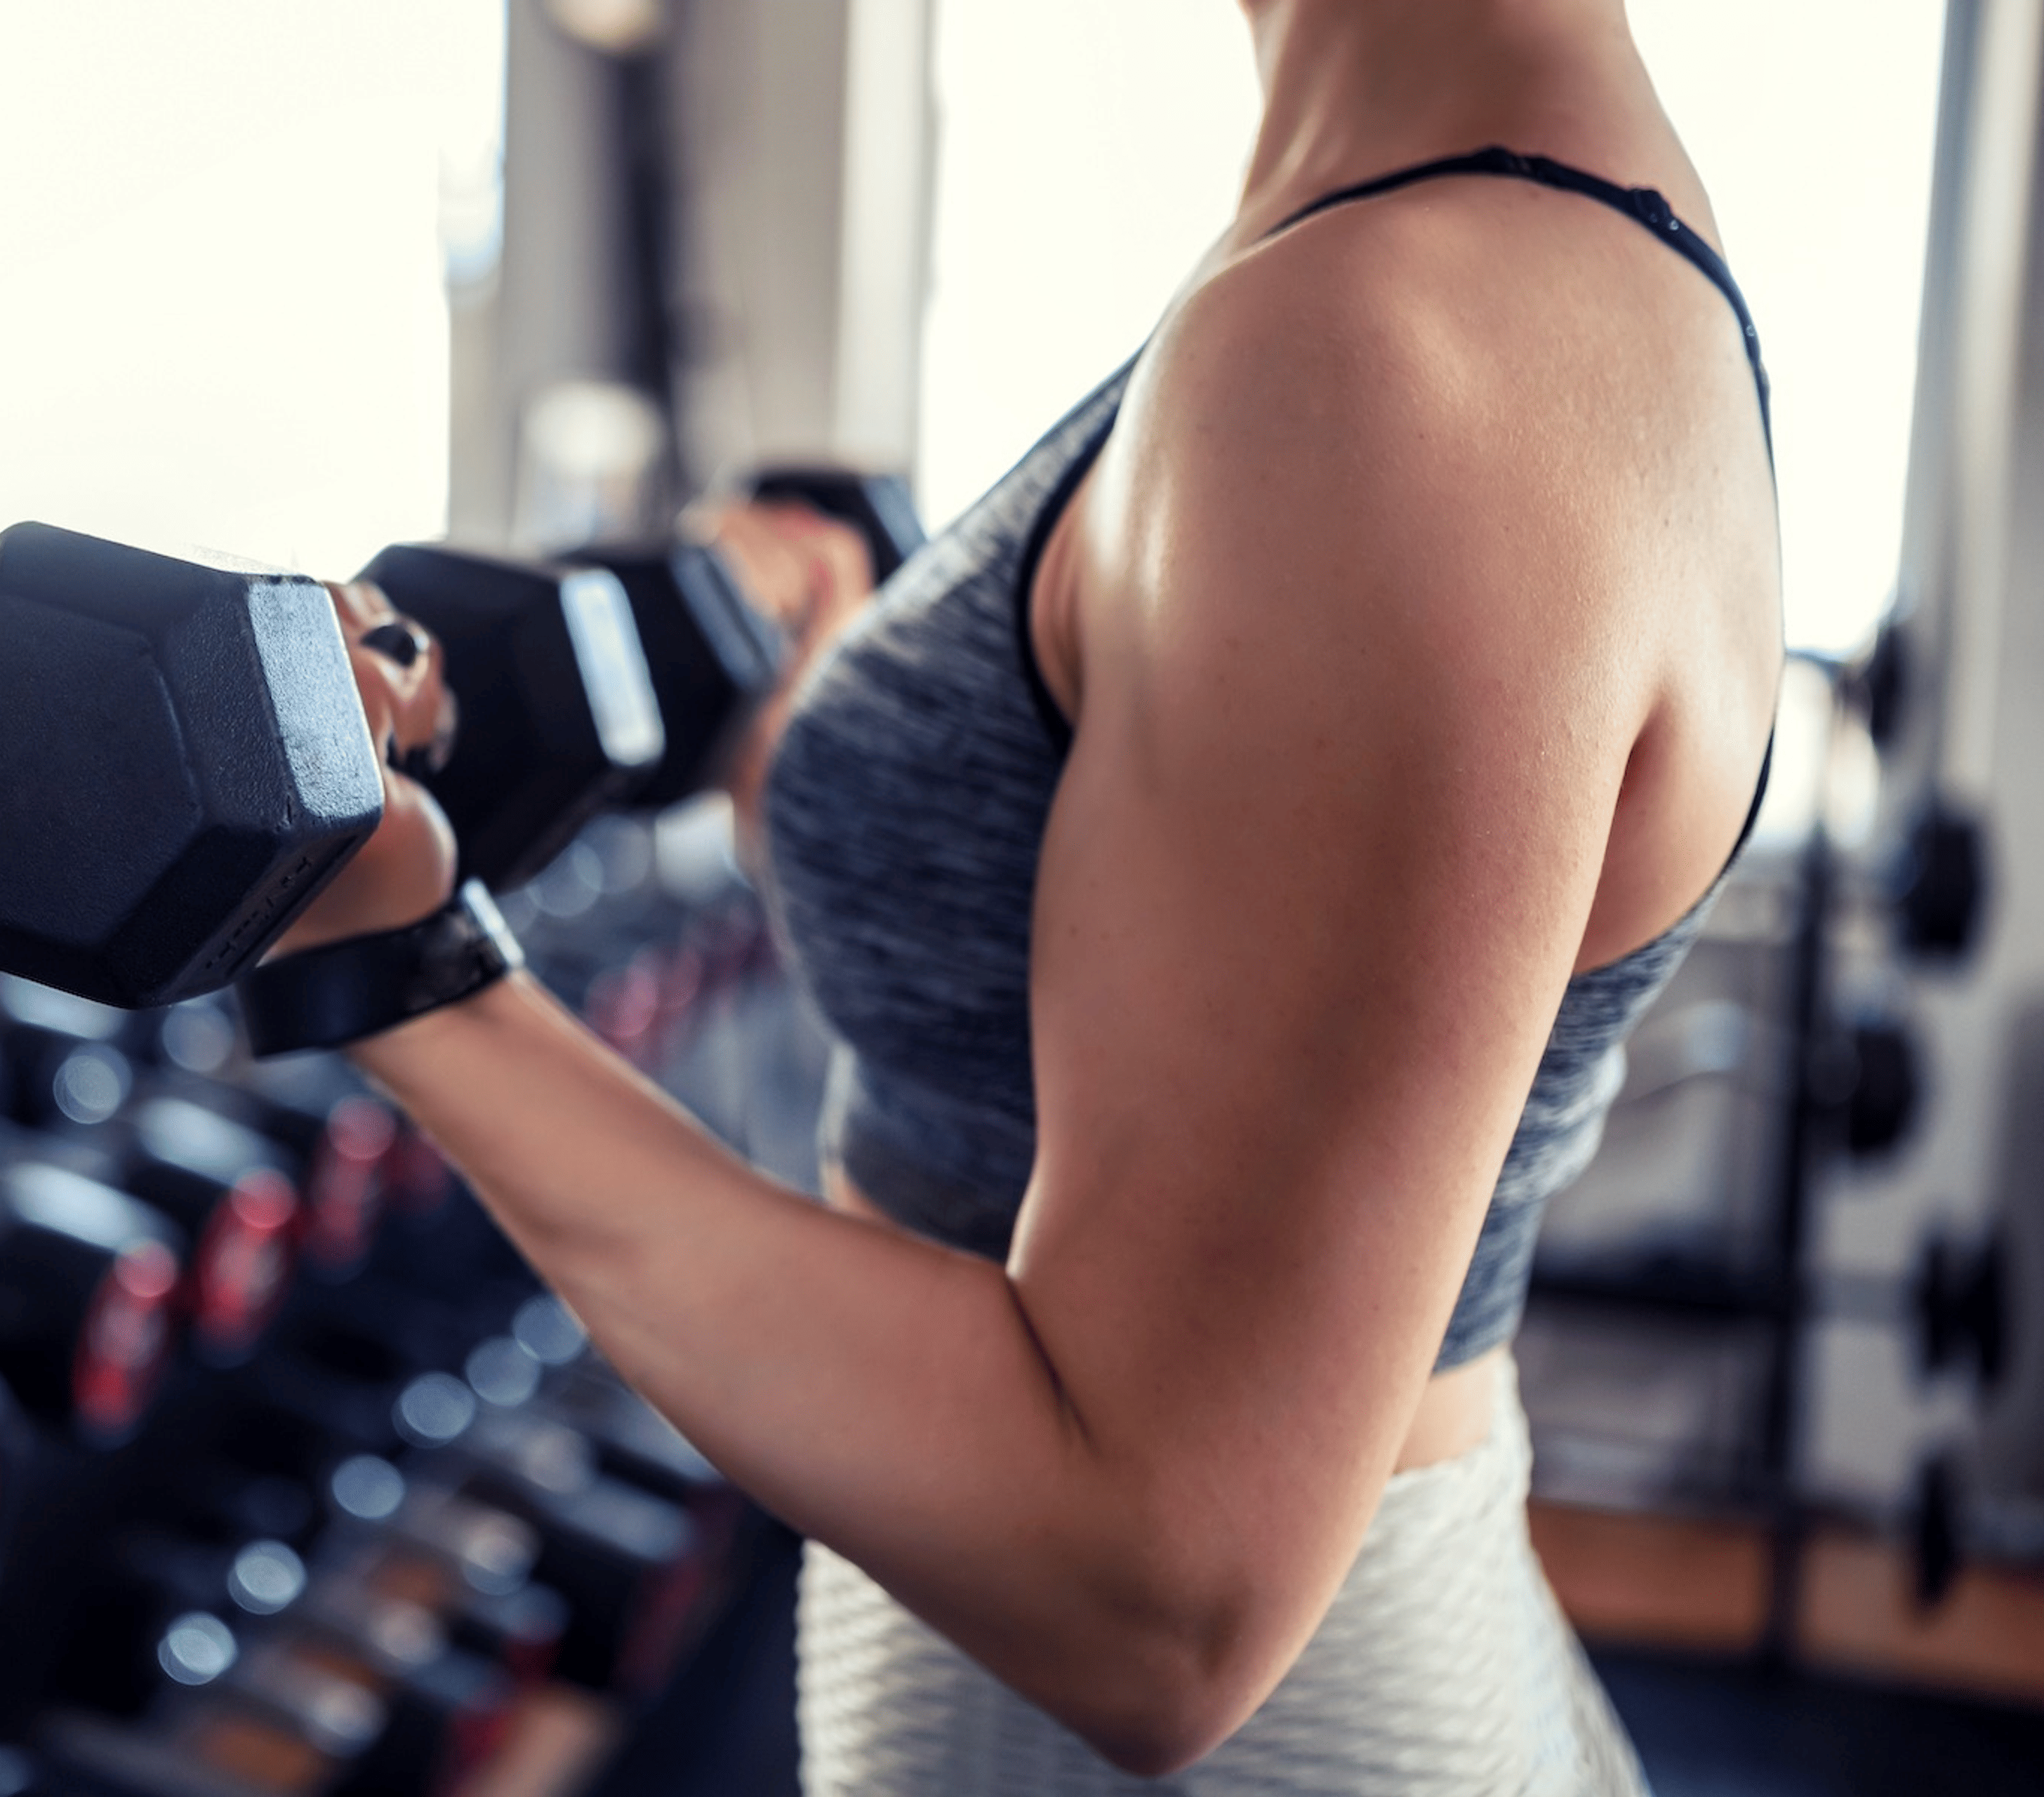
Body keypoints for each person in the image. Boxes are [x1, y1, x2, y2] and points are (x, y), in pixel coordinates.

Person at [279, 0, 1780, 1788]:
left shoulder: (1405, 343)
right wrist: (839, 699)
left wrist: (399, 965)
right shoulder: (1402, 236)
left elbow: (1155, 1591)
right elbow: (1143, 907)